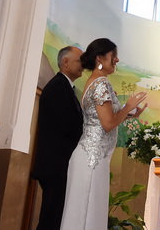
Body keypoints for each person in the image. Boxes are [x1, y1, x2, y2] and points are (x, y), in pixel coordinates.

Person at [60, 38, 148, 230]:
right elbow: (108, 123)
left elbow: (103, 120)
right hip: (92, 158)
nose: (116, 60)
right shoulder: (100, 84)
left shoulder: (95, 81)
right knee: (87, 213)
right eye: (113, 55)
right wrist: (129, 106)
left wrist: (128, 115)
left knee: (87, 212)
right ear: (100, 57)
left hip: (93, 157)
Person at [32, 46, 84, 230]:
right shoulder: (57, 87)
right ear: (65, 62)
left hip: (58, 166)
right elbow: (67, 125)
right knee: (51, 220)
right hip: (55, 166)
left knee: (55, 218)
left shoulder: (66, 87)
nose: (83, 65)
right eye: (79, 60)